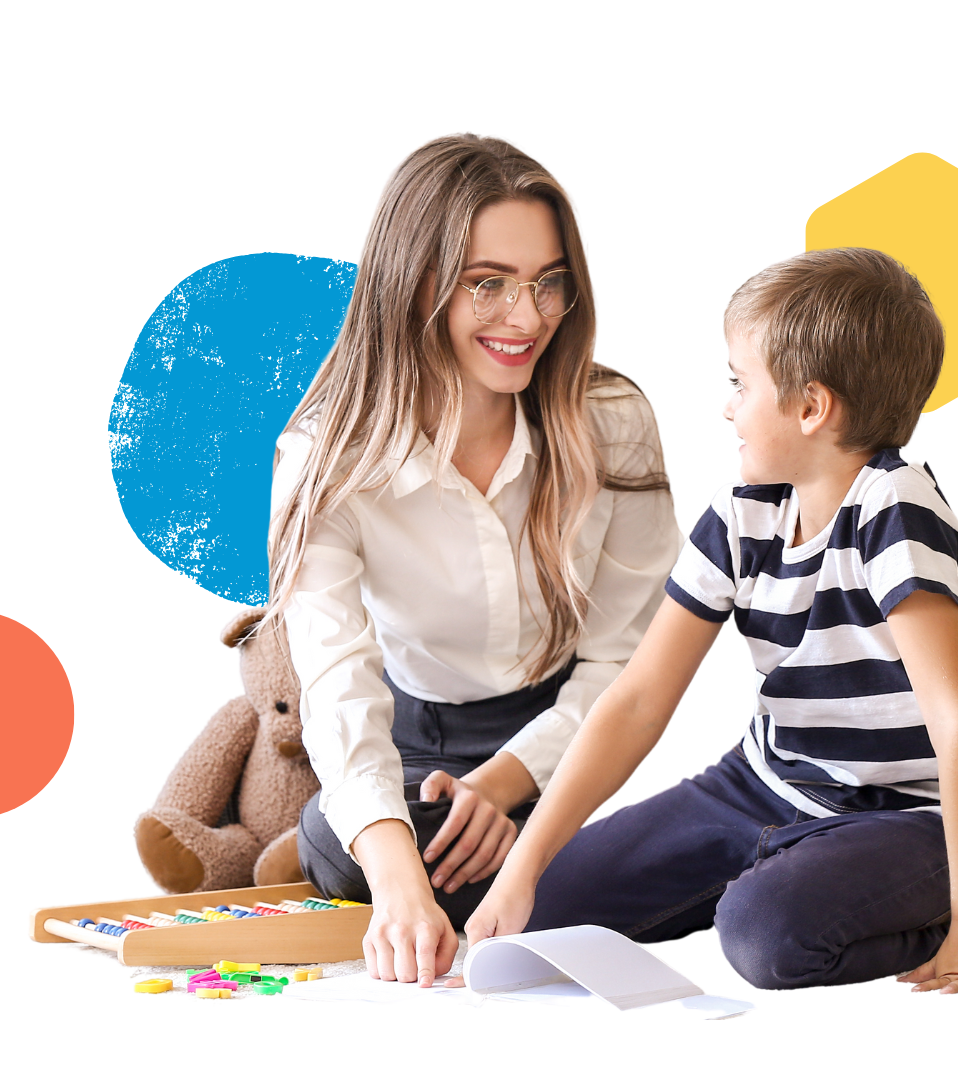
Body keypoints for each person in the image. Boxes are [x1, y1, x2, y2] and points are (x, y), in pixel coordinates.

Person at [465, 248, 958, 997]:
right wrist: (524, 868)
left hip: (917, 813)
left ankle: (921, 912)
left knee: (765, 939)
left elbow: (957, 726)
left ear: (810, 407)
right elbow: (636, 702)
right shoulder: (741, 514)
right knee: (536, 913)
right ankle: (790, 869)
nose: (726, 407)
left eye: (740, 384)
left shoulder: (897, 511)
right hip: (764, 784)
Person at [263, 133, 683, 987]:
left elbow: (628, 663)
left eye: (547, 282)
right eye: (486, 283)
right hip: (424, 743)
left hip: (586, 727)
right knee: (342, 846)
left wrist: (510, 779)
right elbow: (339, 684)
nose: (526, 319)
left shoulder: (615, 418)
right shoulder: (324, 456)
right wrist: (397, 887)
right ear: (410, 282)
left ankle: (558, 876)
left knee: (629, 847)